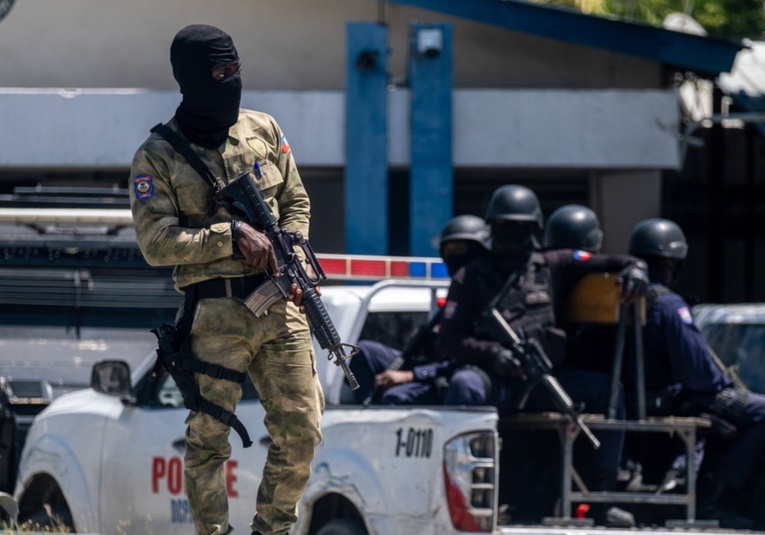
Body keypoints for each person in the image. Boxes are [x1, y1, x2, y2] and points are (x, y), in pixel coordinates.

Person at [129, 24, 323, 535]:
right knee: (208, 438)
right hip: (213, 313)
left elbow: (296, 201)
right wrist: (230, 235)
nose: (231, 81)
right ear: (191, 78)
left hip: (280, 304)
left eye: (236, 70)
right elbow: (156, 243)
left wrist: (294, 247)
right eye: (219, 72)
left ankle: (272, 530)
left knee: (301, 431)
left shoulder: (264, 129)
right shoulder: (158, 155)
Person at [438, 184, 649, 527]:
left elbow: (612, 260)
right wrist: (493, 354)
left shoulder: (554, 264)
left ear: (534, 229)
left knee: (607, 389)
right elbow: (449, 340)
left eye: (520, 227)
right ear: (492, 227)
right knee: (464, 386)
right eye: (504, 226)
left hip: (544, 382)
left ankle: (603, 496)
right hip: (497, 381)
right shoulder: (471, 276)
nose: (511, 235)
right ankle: (460, 495)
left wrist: (636, 270)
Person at [629, 218, 765, 529]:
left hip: (648, 397)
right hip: (677, 398)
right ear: (670, 262)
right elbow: (701, 376)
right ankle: (711, 498)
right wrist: (724, 385)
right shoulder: (667, 305)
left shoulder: (626, 298)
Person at [348, 214, 490, 405]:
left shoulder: (489, 297)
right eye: (449, 250)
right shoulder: (456, 293)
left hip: (451, 372)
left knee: (395, 397)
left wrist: (412, 375)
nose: (454, 256)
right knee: (363, 352)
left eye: (461, 249)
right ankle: (362, 415)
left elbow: (470, 354)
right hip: (426, 363)